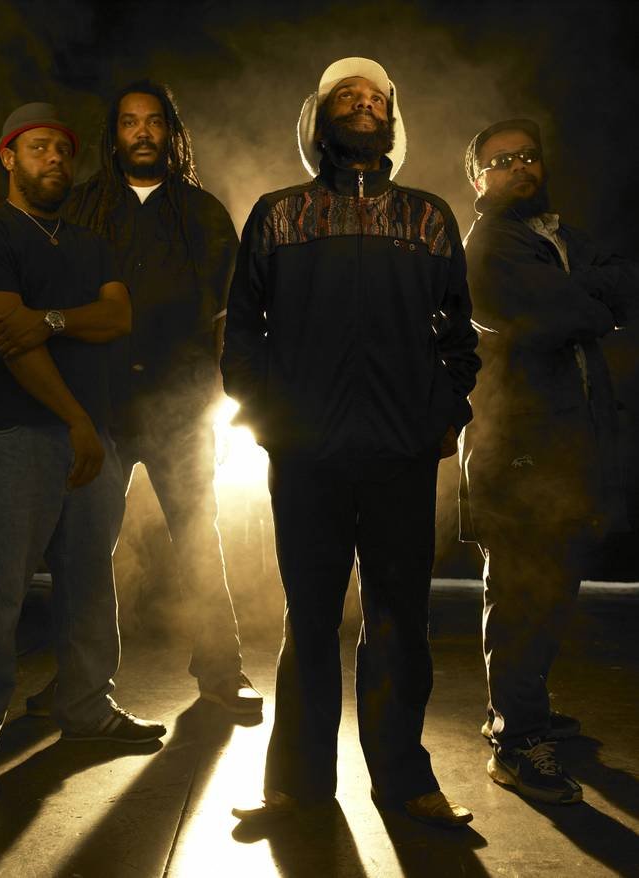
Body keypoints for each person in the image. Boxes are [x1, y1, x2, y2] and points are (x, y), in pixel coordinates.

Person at [223, 57, 480, 826]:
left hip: (400, 458)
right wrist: (269, 417)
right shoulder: (278, 215)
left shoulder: (429, 218)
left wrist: (441, 416)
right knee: (309, 620)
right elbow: (242, 331)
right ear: (319, 117)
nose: (365, 105)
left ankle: (406, 785)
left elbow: (459, 338)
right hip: (305, 457)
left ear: (392, 119)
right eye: (348, 96)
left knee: (399, 620)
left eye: (377, 98)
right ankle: (298, 786)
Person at [28, 80, 261, 717]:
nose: (142, 132)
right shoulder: (81, 206)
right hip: (98, 406)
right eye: (130, 122)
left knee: (198, 539)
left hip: (179, 404)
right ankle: (78, 682)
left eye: (154, 121)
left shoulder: (203, 212)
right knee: (83, 550)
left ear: (171, 133)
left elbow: (232, 313)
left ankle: (222, 671)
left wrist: (222, 398)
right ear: (115, 135)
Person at [0, 103, 167, 797]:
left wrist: (52, 319)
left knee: (90, 583)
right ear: (9, 157)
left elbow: (117, 315)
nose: (54, 159)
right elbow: (8, 336)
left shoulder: (90, 243)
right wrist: (76, 420)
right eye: (38, 148)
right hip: (13, 436)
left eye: (62, 149)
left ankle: (86, 708)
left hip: (92, 439)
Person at [460, 118, 639, 804]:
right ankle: (515, 740)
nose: (520, 167)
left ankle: (522, 705)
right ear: (479, 180)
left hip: (569, 450)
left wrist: (581, 293)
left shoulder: (557, 236)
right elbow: (560, 312)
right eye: (502, 160)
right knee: (519, 591)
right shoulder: (488, 243)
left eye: (528, 156)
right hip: (517, 448)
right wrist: (589, 299)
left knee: (556, 584)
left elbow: (625, 285)